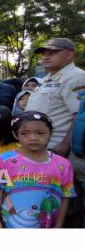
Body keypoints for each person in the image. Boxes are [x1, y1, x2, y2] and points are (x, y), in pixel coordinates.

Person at [26, 38, 85, 227]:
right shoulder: (49, 78)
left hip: (60, 152)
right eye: (44, 53)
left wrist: (66, 143)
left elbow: (78, 114)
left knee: (67, 205)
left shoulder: (75, 77)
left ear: (69, 54)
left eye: (52, 53)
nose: (45, 56)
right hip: (42, 149)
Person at [0, 111, 76, 228]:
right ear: (16, 135)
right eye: (25, 133)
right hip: (12, 223)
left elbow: (65, 196)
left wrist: (58, 226)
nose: (33, 138)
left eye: (40, 133)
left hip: (47, 225)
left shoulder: (63, 164)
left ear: (50, 133)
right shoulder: (5, 160)